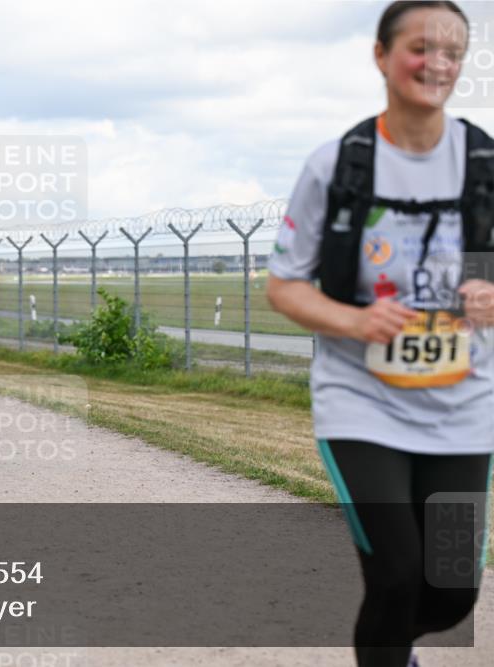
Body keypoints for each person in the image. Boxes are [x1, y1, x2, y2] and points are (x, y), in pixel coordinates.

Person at [266, 3, 493, 666]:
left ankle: (394, 644)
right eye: (421, 47)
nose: (438, 63)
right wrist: (356, 320)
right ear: (381, 56)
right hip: (361, 400)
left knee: (450, 592)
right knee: (395, 573)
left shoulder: (482, 166)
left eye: (453, 50)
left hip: (463, 406)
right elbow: (285, 284)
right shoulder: (340, 167)